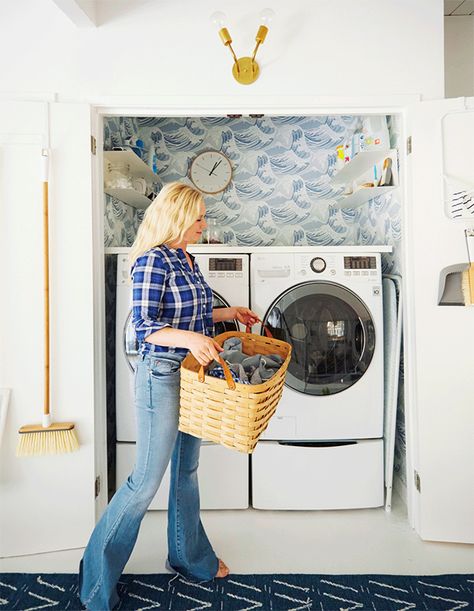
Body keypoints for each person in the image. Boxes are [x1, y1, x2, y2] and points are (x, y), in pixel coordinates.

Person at [79, 182, 259, 610]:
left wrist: (228, 314)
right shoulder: (152, 260)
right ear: (178, 217)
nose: (203, 224)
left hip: (194, 376)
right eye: (198, 217)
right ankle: (95, 582)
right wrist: (191, 338)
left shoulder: (184, 257)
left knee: (186, 470)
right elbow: (143, 325)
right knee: (144, 482)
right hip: (160, 376)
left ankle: (189, 559)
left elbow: (191, 311)